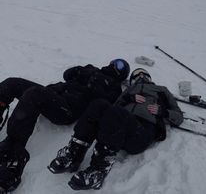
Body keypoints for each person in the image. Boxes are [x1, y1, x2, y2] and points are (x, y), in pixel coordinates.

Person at [0, 59, 130, 193]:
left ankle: (12, 153)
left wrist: (95, 83)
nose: (114, 64)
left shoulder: (114, 88)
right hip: (54, 92)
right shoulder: (93, 69)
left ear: (122, 74)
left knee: (34, 94)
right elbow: (67, 74)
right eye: (115, 61)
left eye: (120, 65)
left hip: (67, 108)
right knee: (12, 83)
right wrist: (80, 70)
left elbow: (104, 105)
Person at [48, 68, 183, 190]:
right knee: (99, 105)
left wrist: (163, 112)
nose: (141, 76)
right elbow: (114, 106)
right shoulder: (129, 91)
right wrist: (128, 98)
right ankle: (73, 154)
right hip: (119, 131)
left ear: (149, 78)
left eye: (144, 74)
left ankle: (98, 170)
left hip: (141, 133)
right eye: (136, 75)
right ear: (132, 81)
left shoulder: (161, 90)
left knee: (116, 112)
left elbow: (179, 116)